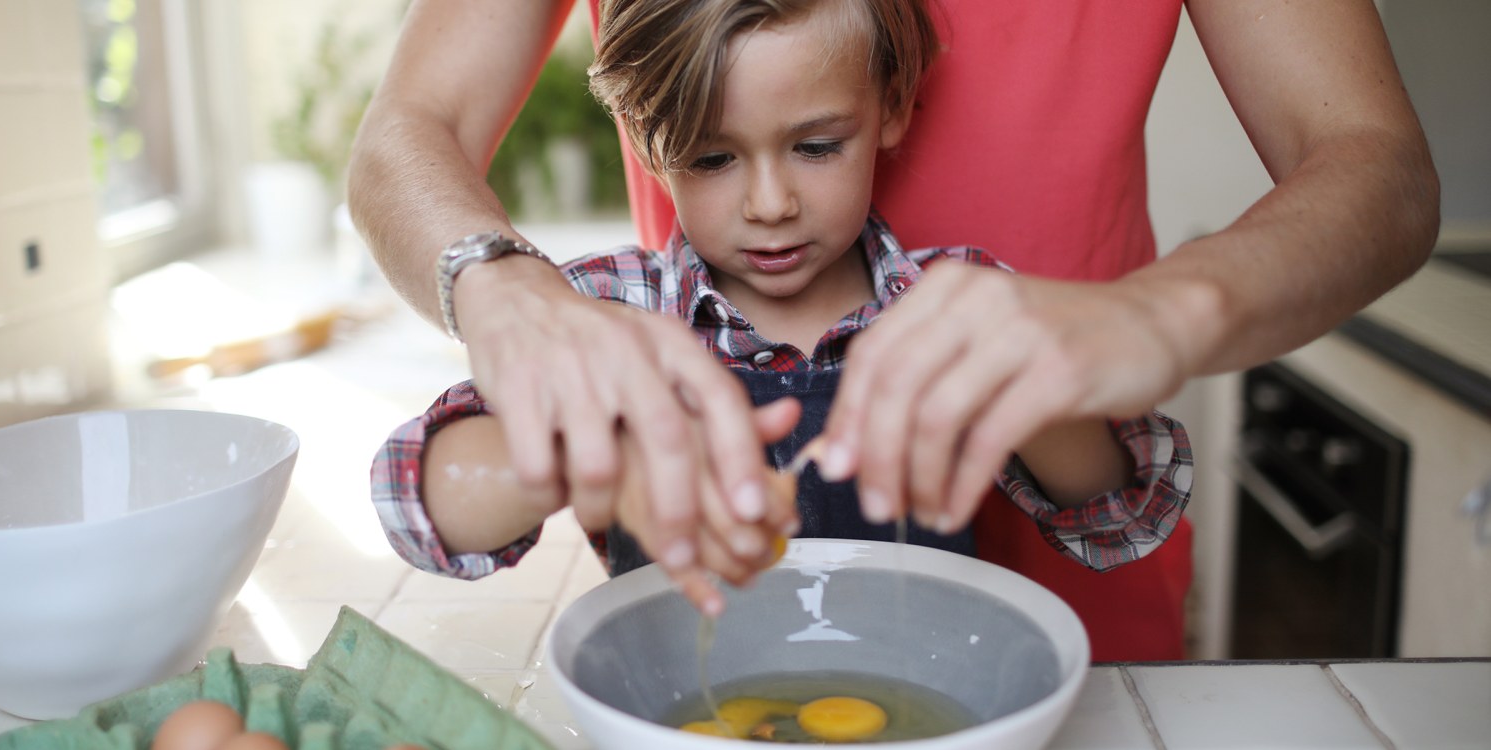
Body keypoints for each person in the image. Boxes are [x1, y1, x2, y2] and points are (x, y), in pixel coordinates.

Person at [349, 0, 1438, 658]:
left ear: (890, 108)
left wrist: (1126, 337)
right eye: (714, 157)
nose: (769, 204)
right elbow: (426, 495)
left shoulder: (942, 293)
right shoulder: (633, 310)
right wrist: (521, 338)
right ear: (646, 131)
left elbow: (1377, 168)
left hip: (1054, 653)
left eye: (816, 145)